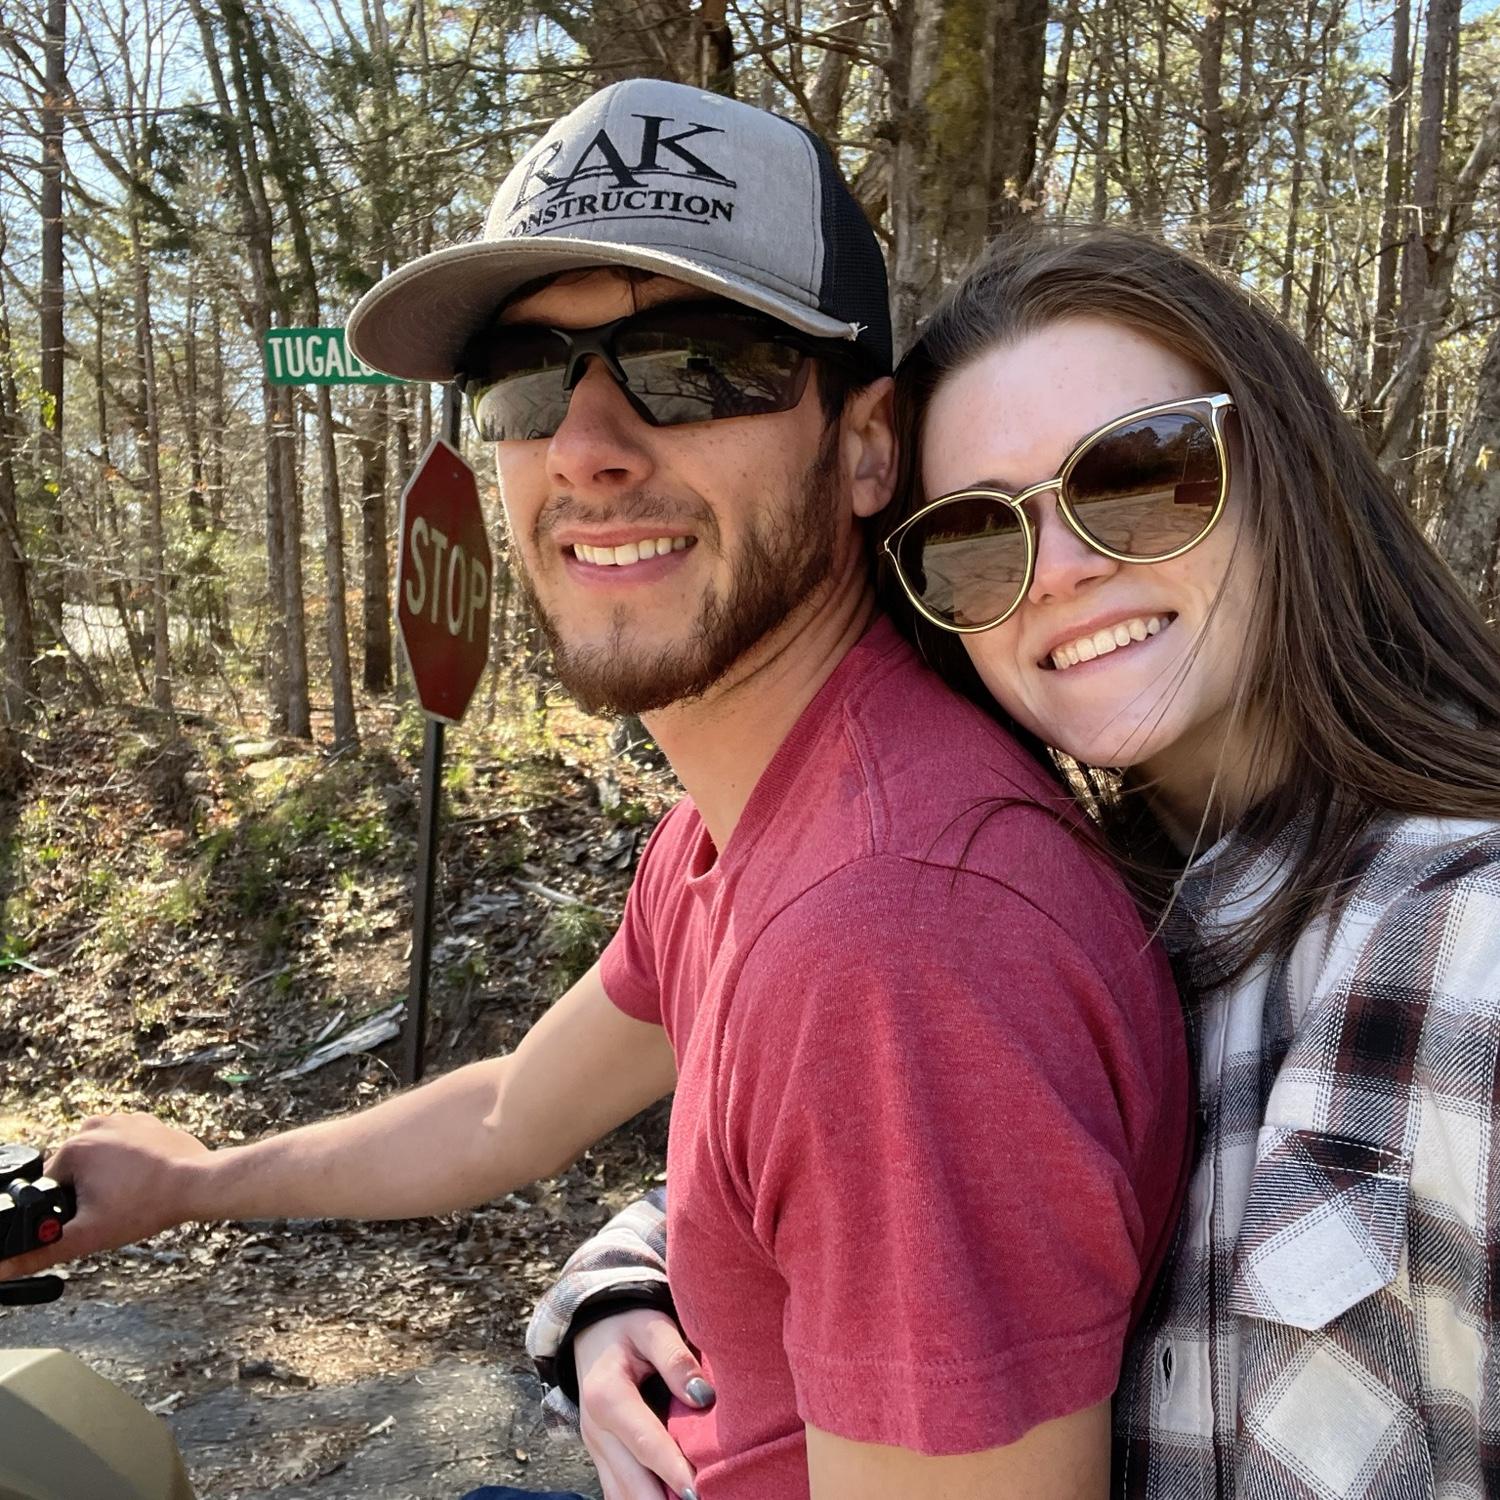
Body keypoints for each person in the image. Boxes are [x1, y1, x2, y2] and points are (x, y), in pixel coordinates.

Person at [0, 86, 1190, 1499]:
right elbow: (508, 1110)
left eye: (696, 367)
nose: (586, 447)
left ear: (869, 446)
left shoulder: (896, 938)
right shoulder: (741, 826)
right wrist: (196, 1180)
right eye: (526, 380)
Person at [528, 227, 1500, 1499]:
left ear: (1290, 469)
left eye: (1140, 474)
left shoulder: (1462, 952)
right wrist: (622, 1283)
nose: (1062, 571)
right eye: (980, 536)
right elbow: (840, 1178)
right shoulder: (1078, 899)